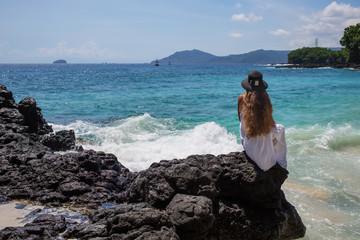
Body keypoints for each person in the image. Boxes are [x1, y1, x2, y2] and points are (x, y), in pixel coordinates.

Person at [238, 71, 287, 171]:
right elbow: (271, 123)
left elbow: (240, 119)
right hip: (267, 162)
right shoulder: (265, 99)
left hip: (248, 149)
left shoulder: (241, 99)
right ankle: (281, 164)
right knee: (280, 129)